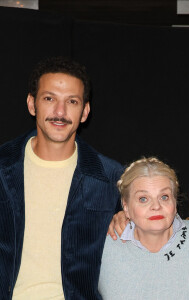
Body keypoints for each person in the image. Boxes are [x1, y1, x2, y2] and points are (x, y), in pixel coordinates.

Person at [0, 57, 123, 299]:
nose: (60, 112)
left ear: (85, 111)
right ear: (31, 104)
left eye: (72, 101)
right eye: (49, 99)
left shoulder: (111, 179)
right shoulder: (2, 166)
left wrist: (126, 220)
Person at [99, 157, 189, 300]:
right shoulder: (102, 246)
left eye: (164, 197)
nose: (156, 206)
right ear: (125, 206)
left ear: (175, 202)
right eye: (143, 199)